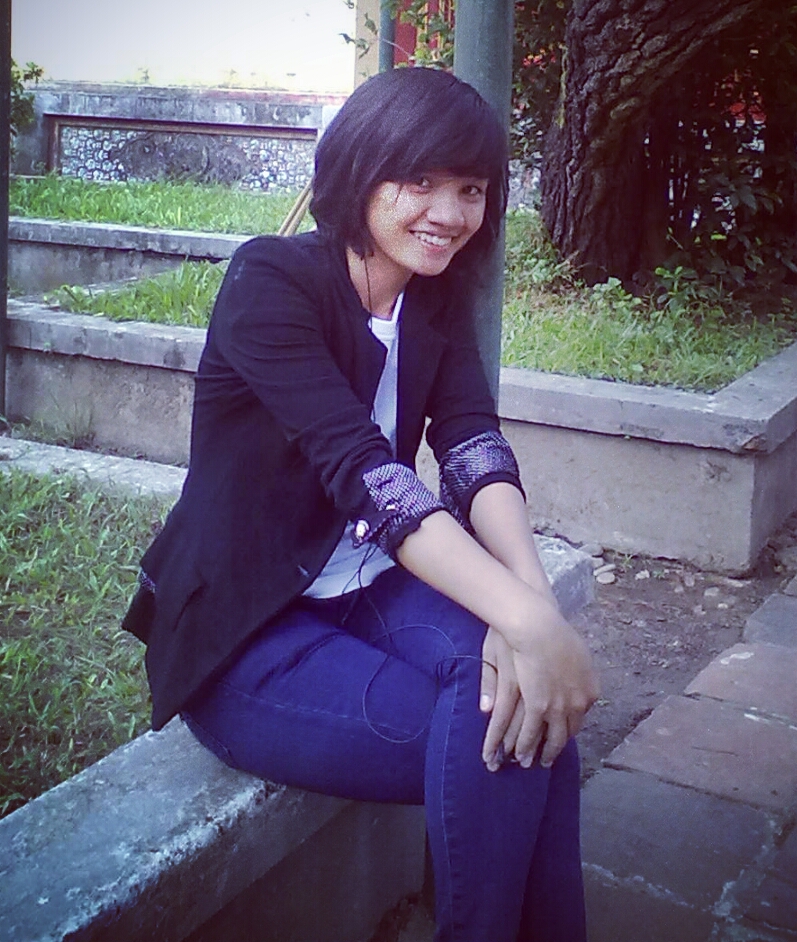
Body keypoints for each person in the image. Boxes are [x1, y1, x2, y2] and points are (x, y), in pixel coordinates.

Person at [123, 66, 599, 942]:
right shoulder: (270, 280)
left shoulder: (433, 295)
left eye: (471, 189)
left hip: (368, 588)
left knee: (534, 710)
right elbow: (369, 475)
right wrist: (525, 622)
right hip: (244, 630)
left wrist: (531, 606)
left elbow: (472, 443)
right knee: (503, 738)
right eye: (419, 180)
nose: (448, 213)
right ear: (360, 171)